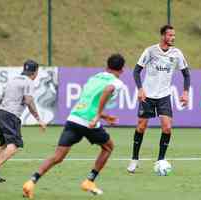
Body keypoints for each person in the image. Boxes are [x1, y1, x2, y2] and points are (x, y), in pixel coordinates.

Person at [22, 54, 126, 198]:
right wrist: (97, 116)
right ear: (122, 70)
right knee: (108, 147)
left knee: (57, 157)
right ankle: (89, 181)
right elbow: (108, 90)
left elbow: (88, 102)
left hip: (73, 118)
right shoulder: (117, 82)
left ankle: (31, 182)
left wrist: (104, 116)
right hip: (88, 122)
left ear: (106, 66)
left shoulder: (94, 78)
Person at [127, 24, 191, 173]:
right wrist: (140, 89)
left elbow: (186, 74)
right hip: (148, 95)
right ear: (163, 36)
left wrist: (186, 92)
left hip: (164, 96)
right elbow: (136, 71)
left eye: (174, 35)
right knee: (141, 126)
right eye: (170, 35)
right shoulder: (150, 51)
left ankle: (161, 160)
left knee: (167, 127)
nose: (172, 38)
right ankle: (134, 159)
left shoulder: (177, 54)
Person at [0, 60, 47, 183]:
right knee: (15, 145)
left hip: (0, 112)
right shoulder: (29, 82)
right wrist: (39, 119)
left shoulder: (13, 80)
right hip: (11, 115)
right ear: (35, 72)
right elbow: (28, 102)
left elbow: (0, 100)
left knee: (4, 145)